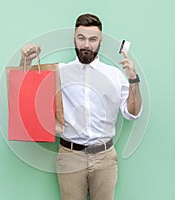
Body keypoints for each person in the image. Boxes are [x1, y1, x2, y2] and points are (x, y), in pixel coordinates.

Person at [20, 13, 142, 200]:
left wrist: (133, 79)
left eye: (93, 39)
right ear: (74, 39)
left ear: (100, 41)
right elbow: (25, 89)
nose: (86, 44)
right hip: (69, 156)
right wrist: (26, 62)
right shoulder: (59, 72)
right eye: (81, 38)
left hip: (105, 157)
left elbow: (132, 114)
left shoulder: (115, 75)